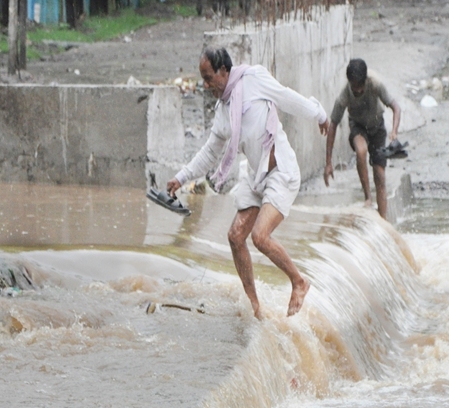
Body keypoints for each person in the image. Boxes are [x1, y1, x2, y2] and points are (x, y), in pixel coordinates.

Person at [167, 47, 329, 319]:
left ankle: (299, 282)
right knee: (235, 236)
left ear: (224, 70)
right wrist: (181, 177)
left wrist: (319, 114)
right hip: (256, 176)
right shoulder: (222, 111)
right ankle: (255, 306)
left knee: (260, 237)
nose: (206, 86)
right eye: (203, 79)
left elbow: (287, 98)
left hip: (281, 173)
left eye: (209, 78)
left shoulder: (254, 79)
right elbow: (209, 152)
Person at [323, 58, 401, 220]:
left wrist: (394, 131)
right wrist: (328, 162)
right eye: (354, 86)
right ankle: (367, 197)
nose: (357, 90)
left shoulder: (375, 84)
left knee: (380, 175)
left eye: (360, 86)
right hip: (358, 127)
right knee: (361, 151)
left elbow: (396, 107)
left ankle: (383, 219)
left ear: (365, 80)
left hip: (377, 128)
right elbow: (333, 125)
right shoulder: (345, 95)